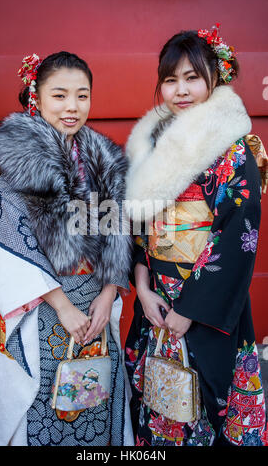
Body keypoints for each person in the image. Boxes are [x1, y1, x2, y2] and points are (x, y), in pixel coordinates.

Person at [124, 25, 268, 446]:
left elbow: (237, 235)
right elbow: (137, 225)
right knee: (159, 403)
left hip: (204, 302)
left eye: (192, 78)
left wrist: (189, 310)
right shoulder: (151, 143)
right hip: (155, 302)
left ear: (214, 78)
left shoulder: (235, 149)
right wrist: (142, 286)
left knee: (210, 404)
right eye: (170, 80)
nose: (180, 90)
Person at [0, 51, 133, 446]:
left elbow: (117, 228)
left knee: (96, 400)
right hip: (46, 308)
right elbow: (10, 244)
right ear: (37, 97)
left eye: (82, 96)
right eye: (60, 95)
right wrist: (63, 307)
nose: (72, 107)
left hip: (95, 308)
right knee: (46, 404)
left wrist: (108, 292)